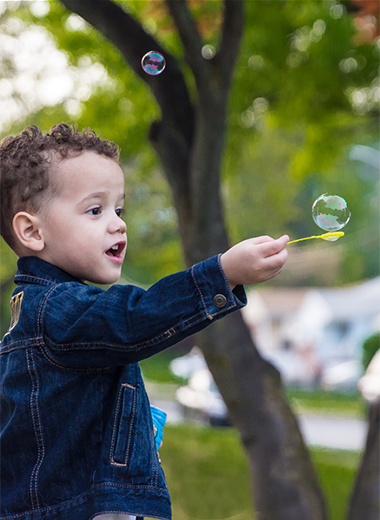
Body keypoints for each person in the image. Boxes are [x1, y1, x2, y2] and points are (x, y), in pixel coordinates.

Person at [0, 123, 289, 520]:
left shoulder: (38, 315)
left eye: (119, 209)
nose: (118, 223)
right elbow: (136, 318)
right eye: (95, 210)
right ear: (32, 231)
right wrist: (223, 273)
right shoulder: (58, 309)